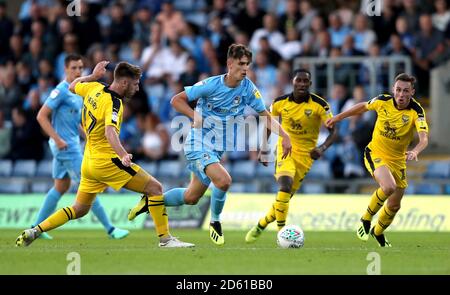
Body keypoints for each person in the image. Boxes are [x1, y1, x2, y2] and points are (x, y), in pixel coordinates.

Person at [16, 61, 194, 248]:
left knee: (79, 209)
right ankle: (165, 239)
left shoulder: (94, 87)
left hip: (89, 162)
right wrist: (123, 154)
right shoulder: (114, 103)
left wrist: (92, 76)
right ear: (124, 83)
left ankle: (35, 230)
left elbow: (73, 85)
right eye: (135, 84)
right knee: (156, 189)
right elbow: (110, 131)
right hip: (108, 162)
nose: (137, 88)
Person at [129, 43, 292, 246]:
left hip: (216, 149)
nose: (245, 69)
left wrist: (285, 136)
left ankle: (151, 200)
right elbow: (176, 100)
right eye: (241, 64)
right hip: (197, 143)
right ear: (229, 64)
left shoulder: (249, 88)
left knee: (191, 197)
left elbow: (265, 116)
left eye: (247, 65)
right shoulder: (211, 84)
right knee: (224, 181)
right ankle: (215, 221)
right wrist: (193, 114)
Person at [325, 73, 429, 247]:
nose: (401, 95)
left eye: (405, 91)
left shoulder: (416, 111)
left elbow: (424, 138)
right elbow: (362, 107)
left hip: (398, 161)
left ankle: (378, 232)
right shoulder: (383, 101)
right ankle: (366, 220)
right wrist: (338, 117)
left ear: (412, 92)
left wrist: (416, 150)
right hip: (375, 153)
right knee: (388, 187)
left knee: (394, 206)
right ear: (393, 90)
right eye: (398, 90)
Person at [32, 54, 129, 240]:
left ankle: (35, 226)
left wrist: (87, 135)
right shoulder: (60, 91)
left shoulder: (78, 91)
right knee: (89, 186)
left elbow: (75, 120)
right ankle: (111, 229)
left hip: (70, 145)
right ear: (65, 70)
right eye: (74, 68)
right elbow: (41, 116)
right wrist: (58, 139)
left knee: (60, 187)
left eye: (80, 68)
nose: (78, 71)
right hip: (67, 148)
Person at [245, 69, 337, 243]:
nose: (302, 84)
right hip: (285, 149)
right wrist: (264, 148)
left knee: (284, 198)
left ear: (310, 84)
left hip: (306, 156)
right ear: (292, 82)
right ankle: (282, 234)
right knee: (284, 186)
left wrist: (322, 148)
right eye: (298, 80)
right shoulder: (280, 102)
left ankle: (261, 225)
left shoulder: (320, 104)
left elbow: (334, 131)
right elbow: (268, 123)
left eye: (305, 81)